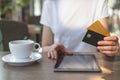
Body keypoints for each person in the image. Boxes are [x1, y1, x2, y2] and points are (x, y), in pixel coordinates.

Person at [40, 0, 119, 59]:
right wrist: (51, 48)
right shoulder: (50, 3)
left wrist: (111, 48)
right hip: (59, 63)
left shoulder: (98, 2)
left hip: (91, 65)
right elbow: (44, 47)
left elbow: (104, 44)